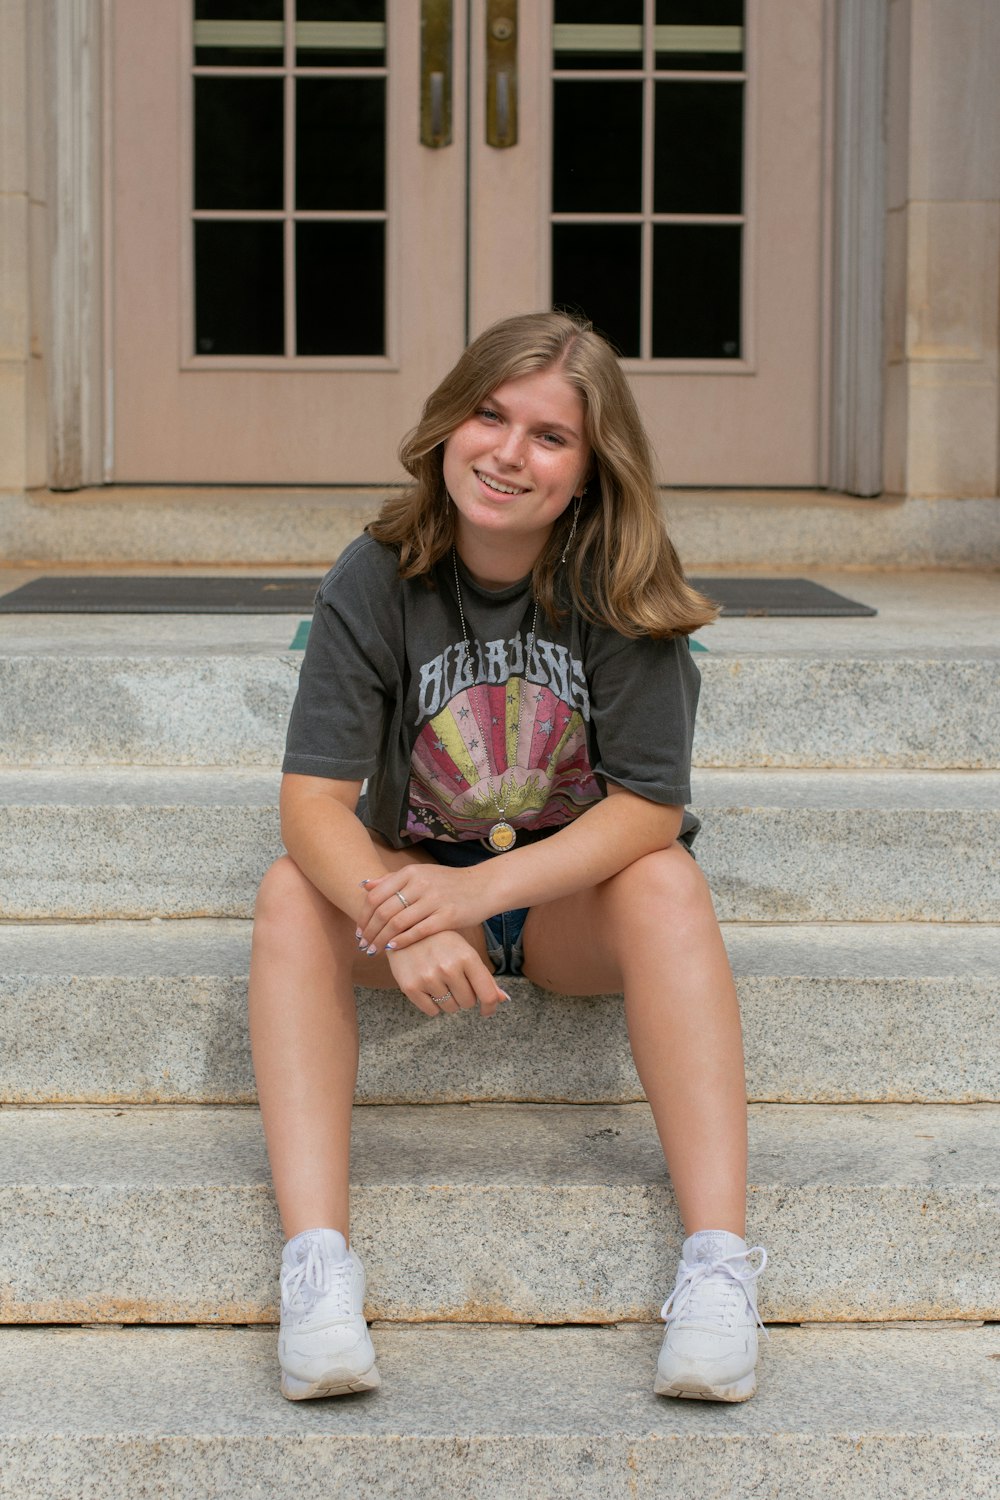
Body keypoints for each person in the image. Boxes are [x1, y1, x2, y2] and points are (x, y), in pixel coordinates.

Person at [249, 310, 767, 1405]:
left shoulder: (621, 579)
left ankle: (718, 1267)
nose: (507, 453)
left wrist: (469, 895)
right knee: (292, 895)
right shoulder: (375, 576)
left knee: (669, 882)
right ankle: (318, 1272)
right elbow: (310, 803)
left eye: (549, 436)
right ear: (447, 427)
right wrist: (408, 913)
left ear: (588, 470)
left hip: (571, 913)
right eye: (489, 415)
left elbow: (648, 810)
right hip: (421, 901)